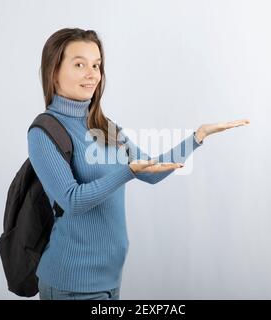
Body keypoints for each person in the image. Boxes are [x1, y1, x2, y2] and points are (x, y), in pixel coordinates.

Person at [28, 28, 250, 300]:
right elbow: (72, 201)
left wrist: (197, 137)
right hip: (71, 284)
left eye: (96, 65)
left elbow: (151, 171)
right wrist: (128, 171)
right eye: (79, 64)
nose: (92, 74)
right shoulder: (43, 132)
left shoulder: (104, 126)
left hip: (110, 280)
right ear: (54, 71)